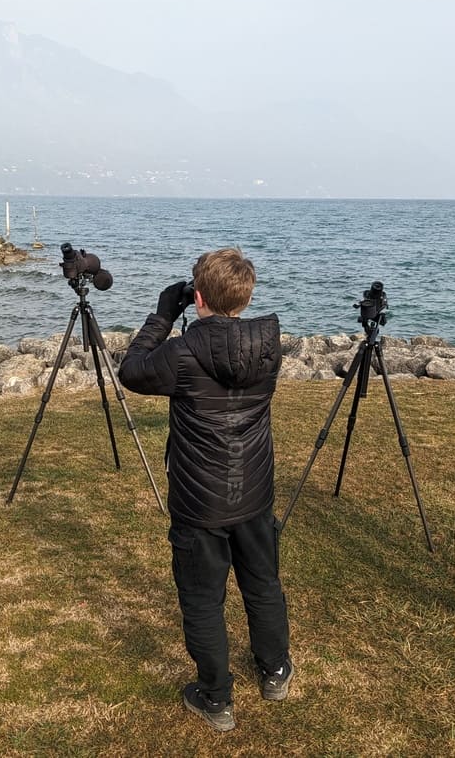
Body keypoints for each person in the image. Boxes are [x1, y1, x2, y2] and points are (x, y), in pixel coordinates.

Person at [119, 248, 293, 733]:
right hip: (253, 488)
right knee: (262, 583)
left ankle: (216, 697)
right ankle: (275, 669)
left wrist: (161, 316)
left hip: (199, 501)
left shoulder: (182, 352)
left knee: (201, 598)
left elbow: (132, 371)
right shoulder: (267, 344)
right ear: (246, 295)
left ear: (197, 297)